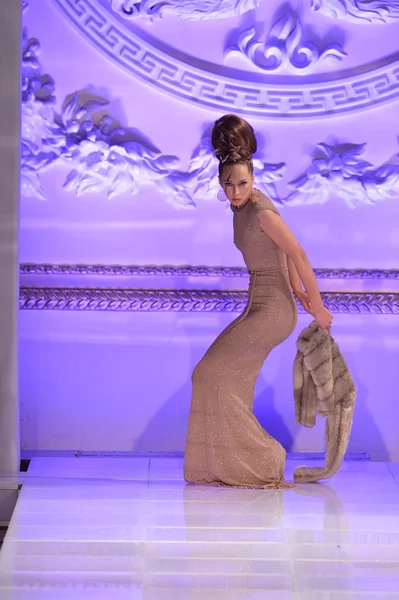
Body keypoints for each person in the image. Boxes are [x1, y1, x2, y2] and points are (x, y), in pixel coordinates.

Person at [183, 114, 333, 489]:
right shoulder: (239, 208)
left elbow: (297, 254)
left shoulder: (263, 212)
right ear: (220, 182)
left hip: (273, 311)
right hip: (259, 303)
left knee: (210, 373)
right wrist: (299, 294)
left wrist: (315, 305)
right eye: (229, 183)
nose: (236, 191)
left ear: (254, 179)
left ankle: (265, 458)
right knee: (216, 376)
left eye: (243, 183)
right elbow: (282, 260)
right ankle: (229, 464)